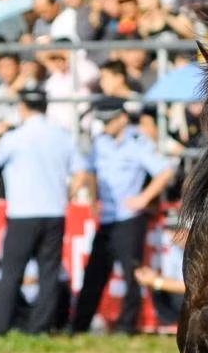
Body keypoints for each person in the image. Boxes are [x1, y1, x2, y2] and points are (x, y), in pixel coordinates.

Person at [0, 87, 88, 334]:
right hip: (54, 211)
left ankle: (0, 326)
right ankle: (41, 327)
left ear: (23, 107)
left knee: (11, 272)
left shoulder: (16, 137)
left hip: (23, 214)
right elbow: (81, 173)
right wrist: (65, 195)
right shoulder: (62, 135)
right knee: (49, 273)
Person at [70, 97, 174, 335]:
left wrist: (143, 198)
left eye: (109, 121)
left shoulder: (137, 142)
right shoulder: (100, 143)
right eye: (102, 122)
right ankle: (78, 326)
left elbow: (165, 171)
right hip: (106, 216)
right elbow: (91, 171)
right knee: (94, 273)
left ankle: (128, 327)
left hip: (129, 217)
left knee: (132, 275)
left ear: (122, 119)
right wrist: (94, 197)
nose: (105, 126)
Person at [134, 208, 186, 332]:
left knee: (158, 286)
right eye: (169, 229)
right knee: (158, 289)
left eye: (177, 230)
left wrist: (156, 281)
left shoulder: (201, 249)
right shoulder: (172, 248)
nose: (172, 234)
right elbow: (172, 280)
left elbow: (194, 288)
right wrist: (153, 278)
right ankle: (173, 324)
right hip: (186, 294)